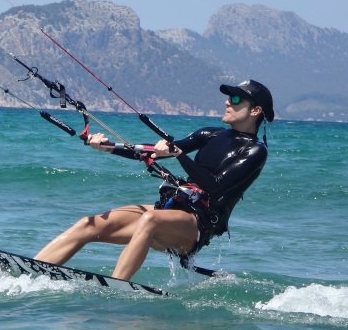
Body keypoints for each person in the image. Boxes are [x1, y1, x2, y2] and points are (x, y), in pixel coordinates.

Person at [33, 79, 275, 281]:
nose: (226, 102)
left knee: (150, 219)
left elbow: (216, 186)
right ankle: (30, 272)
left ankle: (117, 288)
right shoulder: (210, 134)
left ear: (255, 111)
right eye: (228, 98)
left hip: (197, 226)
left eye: (235, 100)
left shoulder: (256, 151)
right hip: (169, 212)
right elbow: (149, 152)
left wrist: (177, 154)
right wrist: (108, 148)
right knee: (88, 224)